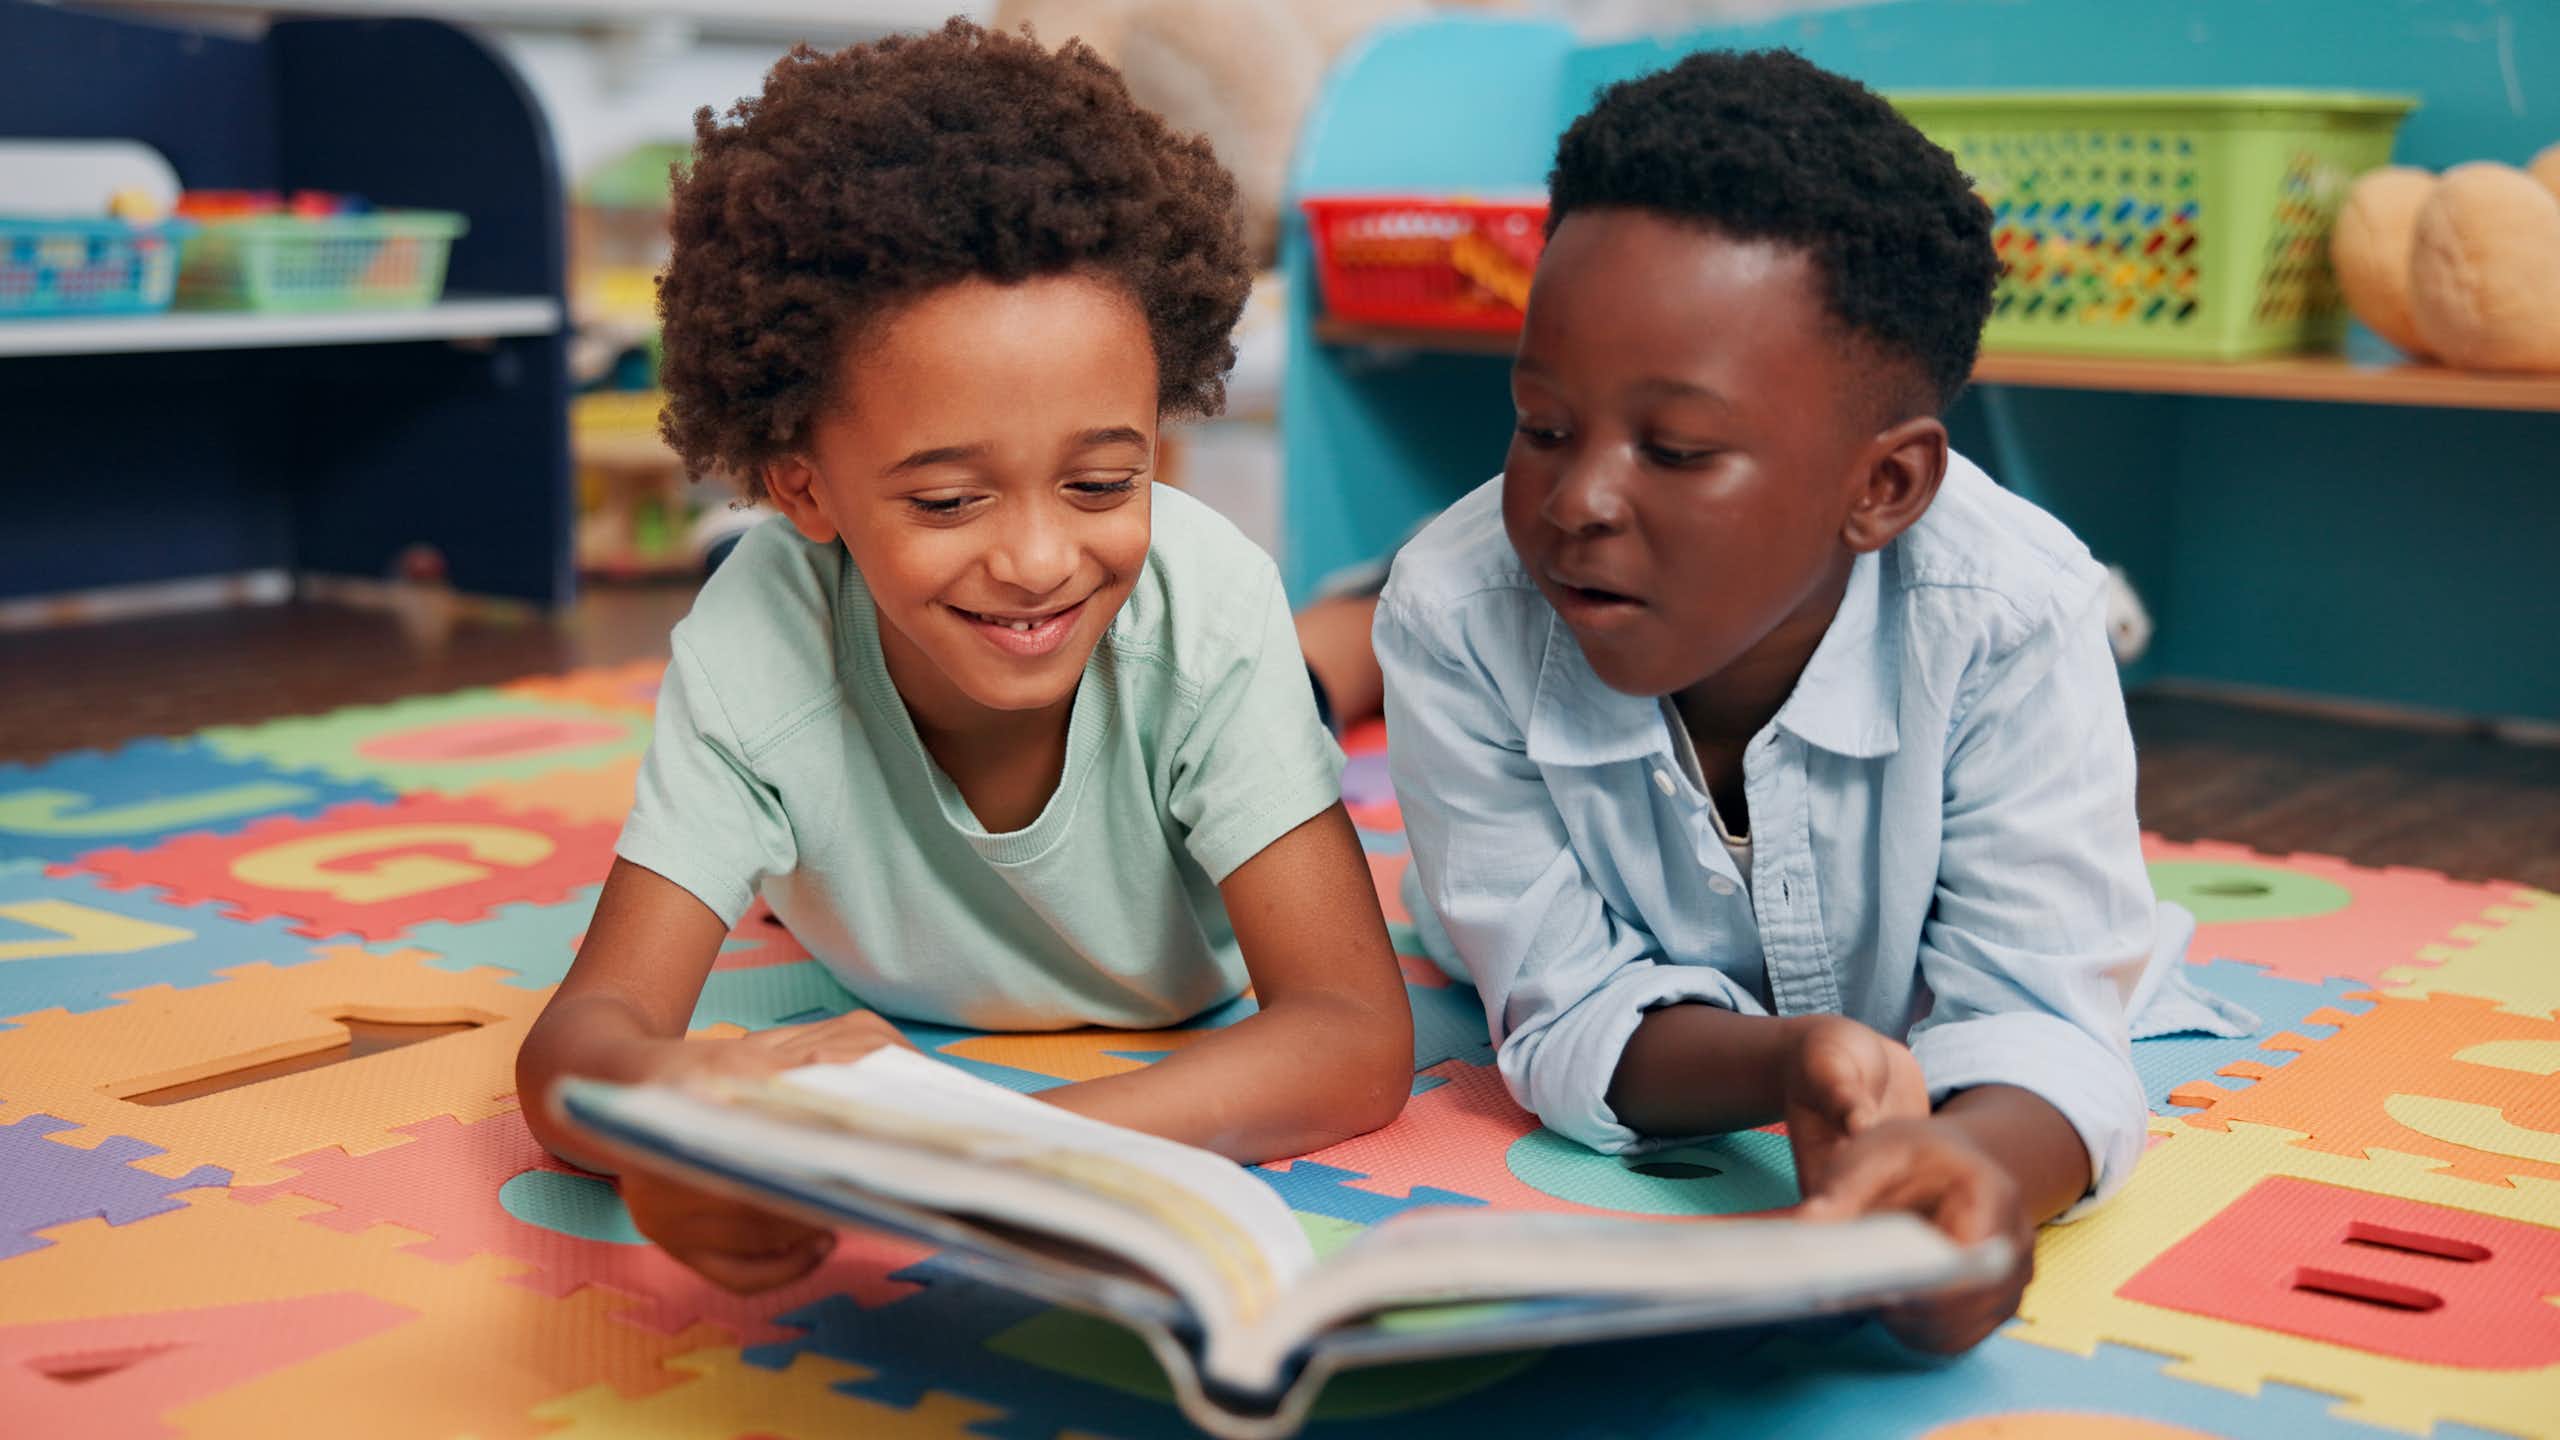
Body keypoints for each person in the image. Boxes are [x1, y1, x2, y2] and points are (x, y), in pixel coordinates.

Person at [518, 20, 1412, 1297]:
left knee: (1324, 666)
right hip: (991, 691)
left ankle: (1372, 610)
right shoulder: (756, 641)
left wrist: (983, 1158)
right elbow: (576, 1048)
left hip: (1189, 691)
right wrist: (675, 1108)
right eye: (948, 502)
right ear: (802, 486)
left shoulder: (1199, 610)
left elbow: (1353, 1037)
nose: (1038, 557)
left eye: (1102, 482)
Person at [1376, 49, 2251, 1352]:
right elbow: (1562, 1010)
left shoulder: (2012, 613)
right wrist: (1788, 1064)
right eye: (1542, 425)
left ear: (1883, 489)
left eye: (1676, 451)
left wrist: (1970, 1192)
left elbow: (2044, 1020)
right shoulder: (1454, 611)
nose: (1578, 500)